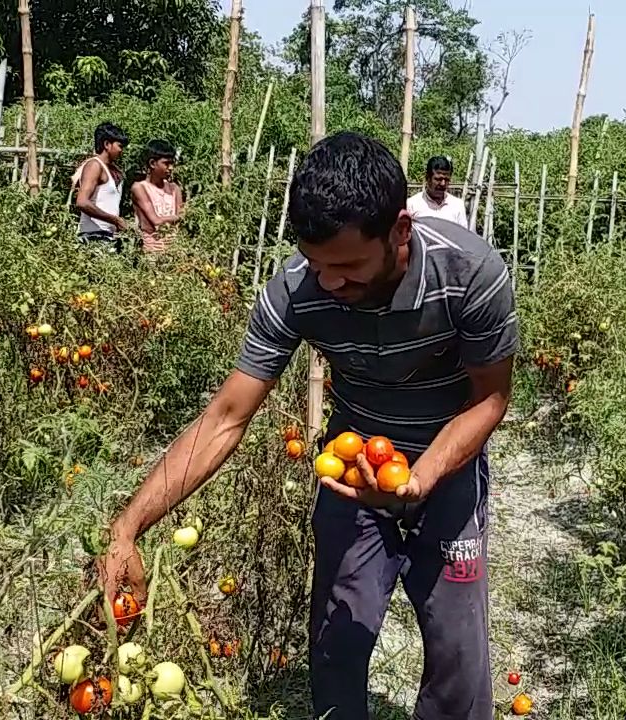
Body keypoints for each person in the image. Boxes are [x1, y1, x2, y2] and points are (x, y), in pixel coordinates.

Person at [100, 132, 516, 720]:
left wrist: (419, 479)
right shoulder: (296, 288)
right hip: (349, 475)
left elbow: (490, 400)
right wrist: (128, 527)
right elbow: (225, 418)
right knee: (335, 644)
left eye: (346, 267)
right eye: (316, 264)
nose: (328, 283)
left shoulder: (471, 273)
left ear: (400, 229)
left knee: (458, 655)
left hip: (446, 470)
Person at [72, 122, 129, 251]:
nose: (122, 151)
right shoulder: (94, 166)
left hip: (107, 237)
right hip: (93, 237)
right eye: (119, 146)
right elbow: (82, 202)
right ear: (107, 144)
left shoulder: (114, 171)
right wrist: (115, 220)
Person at [130, 140, 184, 254]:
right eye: (166, 163)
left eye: (172, 163)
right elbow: (155, 221)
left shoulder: (174, 188)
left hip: (175, 251)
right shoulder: (140, 188)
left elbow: (183, 218)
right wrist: (176, 218)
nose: (170, 168)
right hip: (152, 252)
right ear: (152, 163)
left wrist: (173, 218)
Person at [406, 155, 469, 227]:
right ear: (428, 178)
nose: (443, 184)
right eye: (438, 179)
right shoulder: (412, 205)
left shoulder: (457, 206)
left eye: (447, 180)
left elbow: (462, 235)